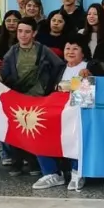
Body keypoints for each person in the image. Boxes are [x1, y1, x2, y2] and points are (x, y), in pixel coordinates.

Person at [0, 17, 65, 177]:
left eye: (27, 32)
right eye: (20, 31)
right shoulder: (12, 52)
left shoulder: (43, 50)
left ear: (34, 33)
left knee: (36, 132)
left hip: (38, 98)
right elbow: (4, 74)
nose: (23, 35)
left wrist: (50, 86)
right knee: (17, 132)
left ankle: (34, 163)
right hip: (18, 98)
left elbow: (59, 66)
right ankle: (17, 162)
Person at [38, 36, 89, 192]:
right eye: (67, 48)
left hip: (80, 115)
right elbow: (51, 92)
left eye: (75, 49)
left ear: (83, 53)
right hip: (57, 114)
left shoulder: (88, 68)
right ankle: (52, 173)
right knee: (38, 129)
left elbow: (84, 98)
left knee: (76, 132)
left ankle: (77, 172)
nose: (70, 52)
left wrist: (67, 86)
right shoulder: (59, 68)